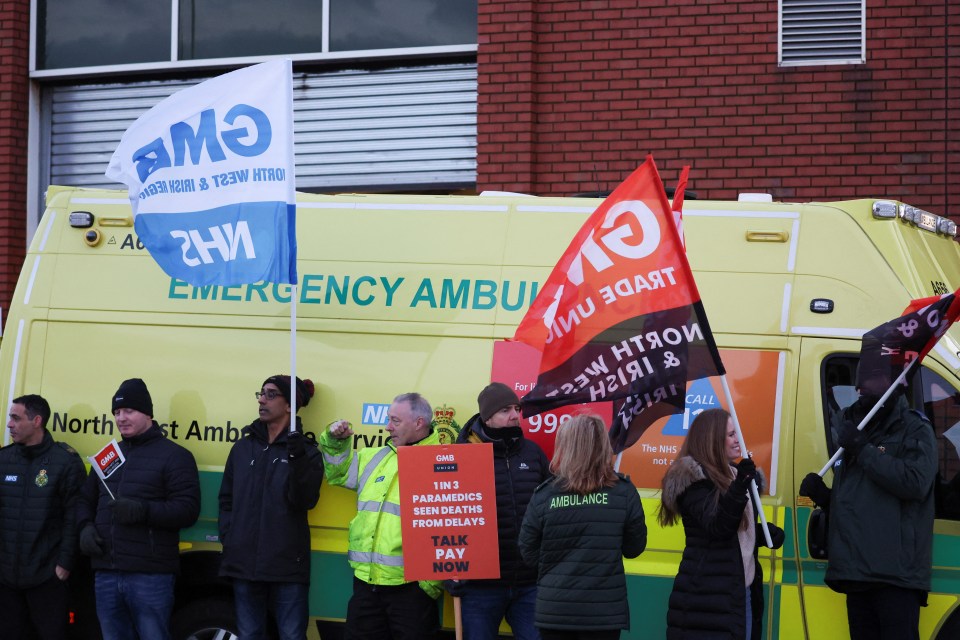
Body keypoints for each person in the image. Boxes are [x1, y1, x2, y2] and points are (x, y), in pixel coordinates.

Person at [799, 382, 937, 640]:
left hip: (895, 576)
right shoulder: (853, 425)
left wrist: (863, 449)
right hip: (857, 571)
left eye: (871, 380)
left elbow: (916, 482)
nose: (861, 388)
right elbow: (861, 501)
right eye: (860, 382)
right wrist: (826, 498)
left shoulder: (914, 427)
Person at [77, 378, 201, 640]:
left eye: (129, 411)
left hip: (150, 575)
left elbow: (188, 509)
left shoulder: (175, 456)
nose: (121, 418)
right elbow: (84, 500)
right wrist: (84, 527)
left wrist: (143, 511)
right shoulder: (108, 456)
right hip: (107, 572)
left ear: (148, 413)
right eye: (117, 413)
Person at [319, 392, 443, 639]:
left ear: (419, 423)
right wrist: (335, 441)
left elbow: (454, 526)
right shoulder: (373, 457)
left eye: (395, 421)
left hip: (411, 593)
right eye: (388, 419)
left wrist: (428, 586)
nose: (387, 427)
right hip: (367, 587)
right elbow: (338, 473)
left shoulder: (441, 462)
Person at [658, 408, 785, 640]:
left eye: (737, 432)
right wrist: (740, 486)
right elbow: (718, 527)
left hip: (740, 591)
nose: (738, 439)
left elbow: (736, 526)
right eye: (730, 434)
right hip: (708, 596)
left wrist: (761, 534)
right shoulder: (694, 479)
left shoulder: (737, 474)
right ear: (712, 440)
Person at [518, 414, 647, 640]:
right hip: (603, 613)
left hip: (556, 611)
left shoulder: (544, 495)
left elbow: (528, 552)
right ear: (603, 447)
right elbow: (634, 548)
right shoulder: (624, 492)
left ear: (565, 447)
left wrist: (557, 568)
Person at [218, 375, 324, 640]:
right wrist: (230, 537)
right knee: (250, 633)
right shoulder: (243, 448)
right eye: (261, 393)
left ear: (290, 405)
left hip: (287, 566)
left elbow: (305, 500)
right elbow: (226, 499)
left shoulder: (307, 452)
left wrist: (297, 456)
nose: (261, 400)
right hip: (244, 564)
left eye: (271, 394)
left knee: (291, 635)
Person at [449, 382, 550, 640]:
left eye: (517, 408)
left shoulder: (534, 454)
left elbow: (552, 511)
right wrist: (448, 571)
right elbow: (444, 517)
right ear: (487, 417)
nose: (515, 415)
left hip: (530, 583)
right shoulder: (462, 456)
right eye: (506, 410)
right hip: (479, 588)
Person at [0, 394, 86, 640]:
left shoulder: (65, 462)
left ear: (37, 421)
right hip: (6, 580)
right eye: (10, 418)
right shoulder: (4, 460)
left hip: (47, 579)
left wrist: (65, 564)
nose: (9, 425)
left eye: (16, 418)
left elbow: (74, 516)